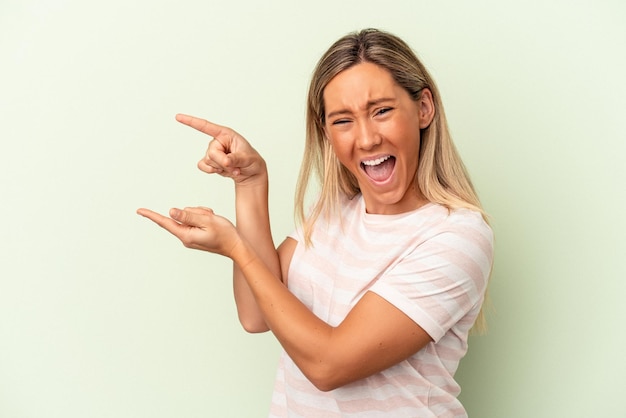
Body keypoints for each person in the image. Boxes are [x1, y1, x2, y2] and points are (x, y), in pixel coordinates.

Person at [137, 28, 494, 418]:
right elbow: (257, 314)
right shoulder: (337, 212)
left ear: (423, 107)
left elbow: (328, 365)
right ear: (326, 132)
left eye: (382, 111)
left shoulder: (456, 237)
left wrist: (236, 247)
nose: (367, 138)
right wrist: (251, 183)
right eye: (343, 120)